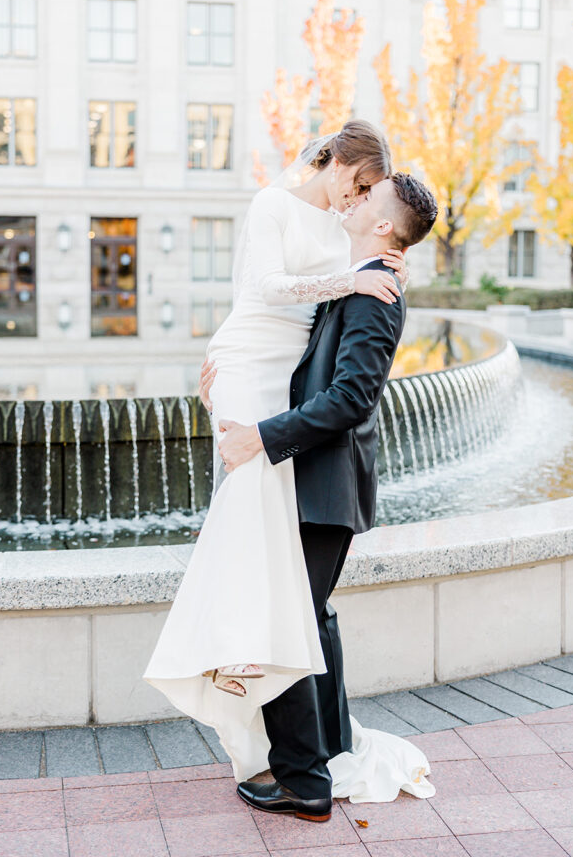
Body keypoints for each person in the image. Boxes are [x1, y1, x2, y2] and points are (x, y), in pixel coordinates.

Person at [144, 122, 405, 778]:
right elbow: (264, 289)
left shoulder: (348, 239)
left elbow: (350, 332)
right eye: (360, 182)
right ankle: (238, 658)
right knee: (249, 513)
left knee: (275, 553)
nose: (359, 197)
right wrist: (351, 279)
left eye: (371, 193)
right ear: (337, 160)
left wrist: (369, 267)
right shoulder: (272, 205)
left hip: (286, 386)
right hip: (248, 361)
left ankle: (260, 679)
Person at [212, 172, 439, 819]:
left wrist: (258, 438)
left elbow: (349, 400)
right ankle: (331, 748)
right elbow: (300, 367)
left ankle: (305, 783)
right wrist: (224, 381)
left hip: (323, 484)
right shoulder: (355, 282)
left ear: (385, 227)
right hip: (317, 482)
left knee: (285, 623)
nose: (355, 197)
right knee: (310, 618)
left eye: (370, 197)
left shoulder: (376, 294)